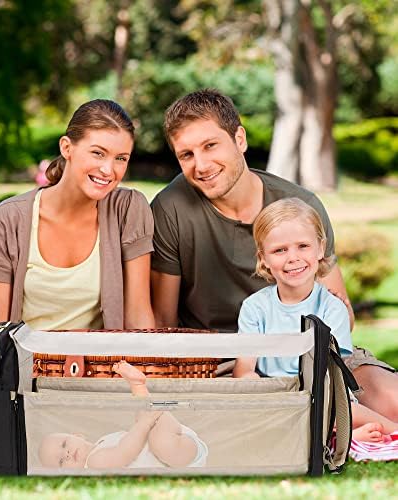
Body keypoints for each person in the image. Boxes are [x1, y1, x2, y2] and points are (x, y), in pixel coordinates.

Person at [0, 99, 155, 433]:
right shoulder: (9, 217)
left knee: (35, 433)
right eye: (98, 153)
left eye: (121, 158)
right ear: (67, 148)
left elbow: (138, 314)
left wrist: (145, 380)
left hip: (74, 373)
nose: (109, 170)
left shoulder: (128, 209)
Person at [150, 88, 397, 421]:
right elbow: (163, 323)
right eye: (187, 155)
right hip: (223, 360)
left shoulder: (300, 205)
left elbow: (340, 315)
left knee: (392, 400)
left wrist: (323, 337)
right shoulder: (170, 209)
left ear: (239, 139)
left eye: (210, 146)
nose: (201, 165)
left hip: (311, 352)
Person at [232, 198, 397, 442]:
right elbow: (244, 370)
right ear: (263, 258)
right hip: (277, 396)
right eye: (279, 250)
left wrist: (307, 400)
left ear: (320, 248)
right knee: (256, 414)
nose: (293, 258)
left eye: (303, 246)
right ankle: (343, 437)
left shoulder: (332, 308)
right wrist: (256, 387)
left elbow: (332, 375)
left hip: (323, 394)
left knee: (339, 409)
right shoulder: (254, 308)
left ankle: (384, 431)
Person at [38, 360, 208, 469]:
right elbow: (124, 452)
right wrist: (144, 423)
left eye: (64, 444)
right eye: (61, 461)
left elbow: (134, 440)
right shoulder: (94, 464)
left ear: (78, 435)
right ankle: (141, 391)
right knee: (153, 434)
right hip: (176, 459)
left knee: (146, 423)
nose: (67, 453)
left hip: (175, 447)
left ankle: (139, 388)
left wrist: (144, 423)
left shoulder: (100, 444)